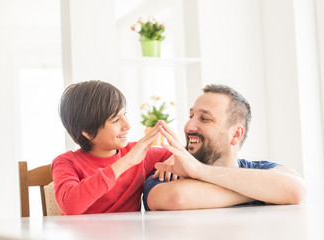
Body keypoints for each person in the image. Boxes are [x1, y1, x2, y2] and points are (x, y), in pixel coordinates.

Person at [143, 84, 306, 211]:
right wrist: (264, 191)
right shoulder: (167, 171)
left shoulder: (260, 168)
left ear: (235, 134)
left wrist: (199, 170)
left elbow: (295, 190)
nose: (189, 126)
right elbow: (177, 198)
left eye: (204, 118)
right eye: (191, 116)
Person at [51, 80, 171, 215]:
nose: (127, 126)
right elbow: (70, 206)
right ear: (88, 132)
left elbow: (191, 155)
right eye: (115, 120)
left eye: (124, 114)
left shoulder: (137, 153)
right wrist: (127, 162)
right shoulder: (66, 162)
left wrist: (175, 157)